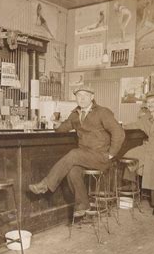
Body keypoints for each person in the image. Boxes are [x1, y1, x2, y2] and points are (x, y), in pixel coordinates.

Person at [28, 85, 125, 217]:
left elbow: (119, 132)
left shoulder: (103, 112)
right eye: (79, 96)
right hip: (85, 156)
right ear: (76, 99)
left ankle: (45, 184)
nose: (82, 98)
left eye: (85, 95)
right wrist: (56, 124)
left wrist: (111, 154)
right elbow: (63, 128)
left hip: (101, 156)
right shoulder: (75, 114)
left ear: (92, 97)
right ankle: (83, 204)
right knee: (72, 171)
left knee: (74, 154)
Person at [122, 92, 154, 216]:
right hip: (148, 147)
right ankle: (132, 186)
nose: (150, 105)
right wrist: (121, 126)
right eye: (148, 102)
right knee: (129, 156)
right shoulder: (144, 118)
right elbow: (134, 125)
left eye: (153, 102)